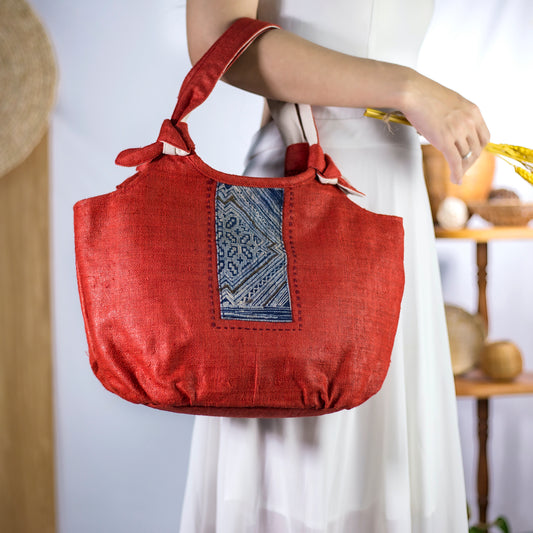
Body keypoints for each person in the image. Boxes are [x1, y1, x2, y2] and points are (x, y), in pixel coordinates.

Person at [180, 1, 490, 532]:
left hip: (391, 185)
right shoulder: (404, 91)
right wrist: (408, 88)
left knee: (378, 462)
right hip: (296, 198)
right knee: (298, 467)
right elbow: (218, 39)